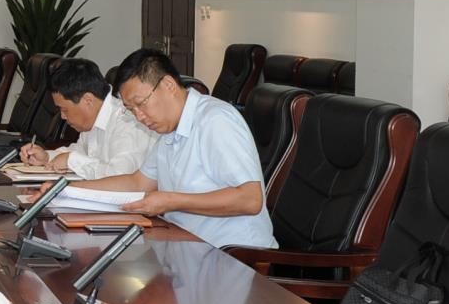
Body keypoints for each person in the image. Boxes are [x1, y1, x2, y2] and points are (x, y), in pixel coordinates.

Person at [72, 48, 276, 249]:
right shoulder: (169, 128)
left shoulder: (215, 120)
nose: (139, 117)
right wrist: (69, 189)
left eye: (141, 104)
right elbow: (137, 182)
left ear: (168, 85)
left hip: (233, 254)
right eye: (131, 110)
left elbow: (250, 199)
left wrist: (171, 201)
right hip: (186, 244)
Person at [19, 58, 157, 180]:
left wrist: (71, 161)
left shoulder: (128, 122)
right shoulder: (93, 119)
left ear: (88, 100)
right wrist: (47, 157)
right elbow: (81, 152)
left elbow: (121, 176)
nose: (62, 116)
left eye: (64, 110)